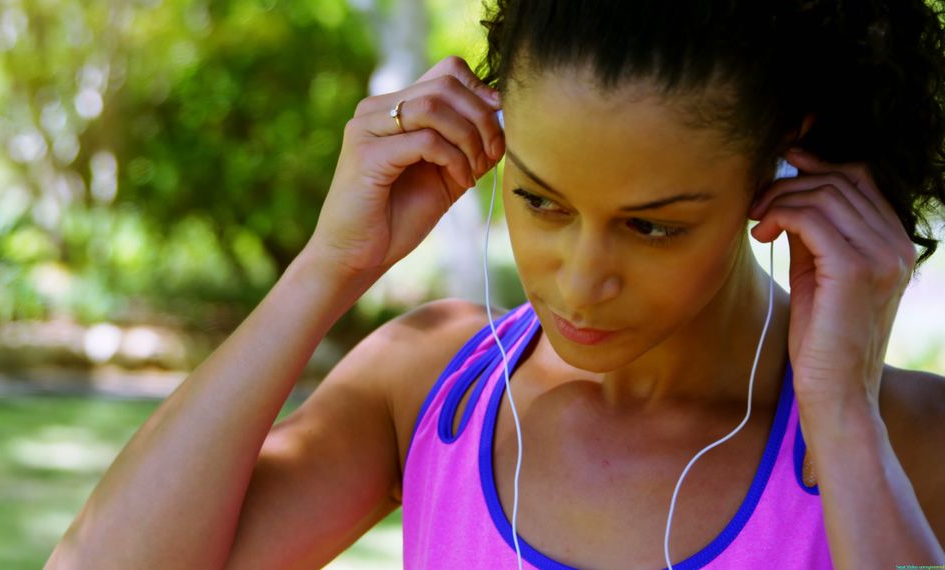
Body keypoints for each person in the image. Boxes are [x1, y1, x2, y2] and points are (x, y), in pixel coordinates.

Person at [46, 1, 945, 568]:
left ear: (782, 169)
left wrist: (840, 414)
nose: (582, 281)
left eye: (653, 226)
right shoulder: (436, 387)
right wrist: (330, 266)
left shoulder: (910, 444)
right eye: (540, 202)